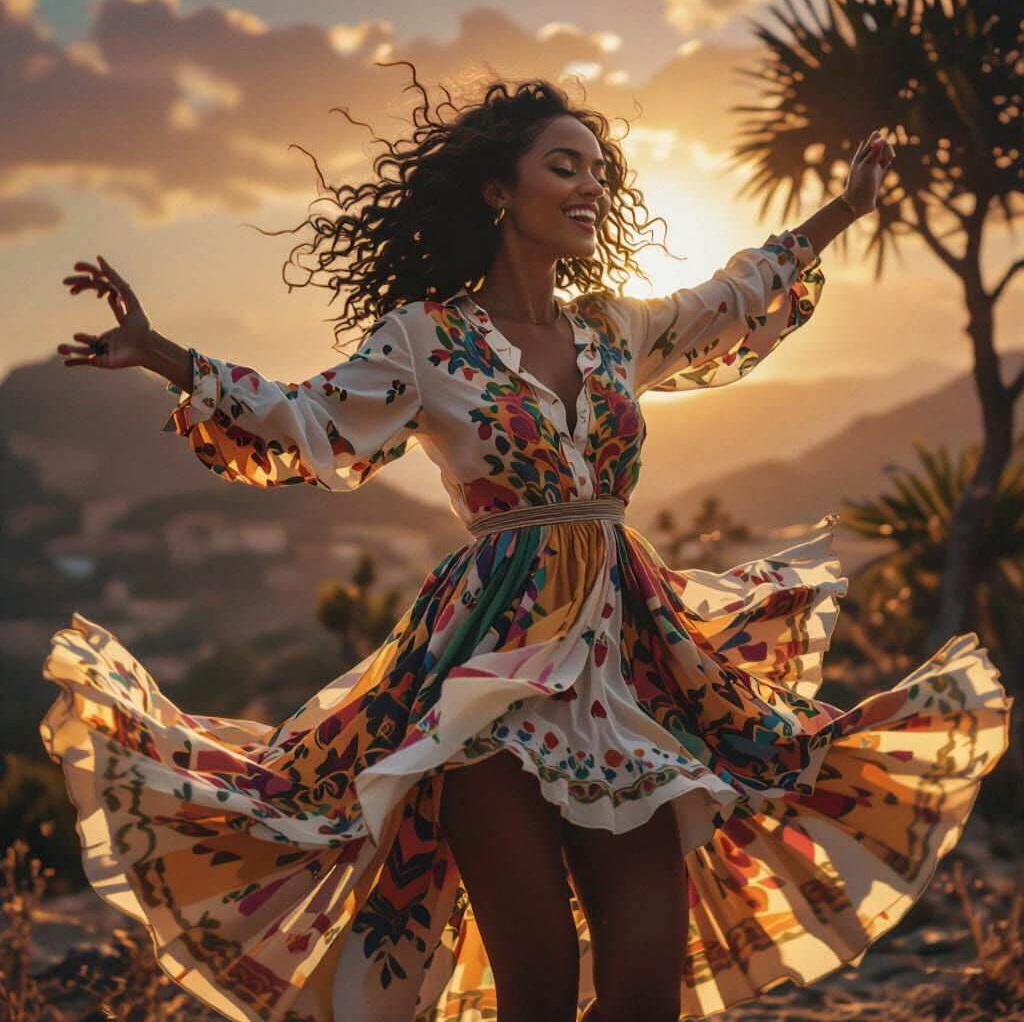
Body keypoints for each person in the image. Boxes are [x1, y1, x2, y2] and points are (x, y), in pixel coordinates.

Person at [44, 74, 1010, 1022]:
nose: (592, 187)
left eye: (600, 172)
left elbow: (734, 295)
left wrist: (845, 208)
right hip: (490, 678)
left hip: (630, 673)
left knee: (643, 995)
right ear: (500, 191)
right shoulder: (427, 339)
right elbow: (309, 422)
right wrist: (165, 354)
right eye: (565, 166)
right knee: (538, 994)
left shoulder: (615, 330)